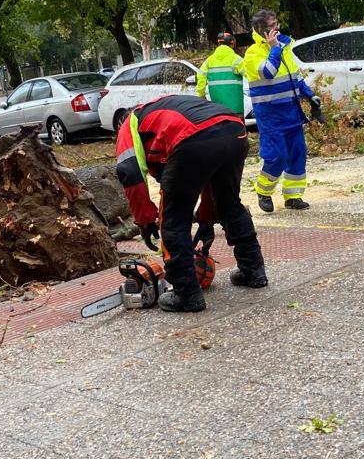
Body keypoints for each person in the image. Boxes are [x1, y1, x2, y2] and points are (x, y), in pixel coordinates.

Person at [114, 94, 267, 313]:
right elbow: (204, 172)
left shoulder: (129, 123)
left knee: (173, 219)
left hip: (193, 137)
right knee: (229, 201)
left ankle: (187, 294)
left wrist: (145, 219)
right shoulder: (167, 109)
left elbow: (129, 172)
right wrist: (206, 216)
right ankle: (254, 271)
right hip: (233, 129)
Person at [242, 9, 322, 213]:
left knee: (297, 153)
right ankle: (264, 191)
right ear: (261, 30)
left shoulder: (284, 47)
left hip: (291, 112)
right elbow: (268, 72)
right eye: (271, 26)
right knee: (276, 155)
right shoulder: (252, 54)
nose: (276, 28)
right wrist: (274, 48)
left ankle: (293, 196)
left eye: (276, 24)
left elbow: (294, 77)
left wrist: (309, 94)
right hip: (270, 116)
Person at [195, 32, 245, 115]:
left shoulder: (209, 61)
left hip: (217, 109)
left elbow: (200, 75)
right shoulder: (236, 59)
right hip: (235, 108)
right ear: (232, 43)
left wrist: (201, 95)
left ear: (219, 43)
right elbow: (251, 75)